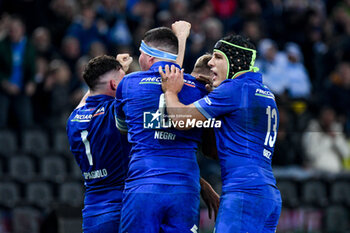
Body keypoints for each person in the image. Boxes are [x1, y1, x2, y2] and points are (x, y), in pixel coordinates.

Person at [160, 34, 282, 232]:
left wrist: (171, 92)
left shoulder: (233, 90)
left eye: (217, 56)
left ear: (232, 60)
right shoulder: (265, 93)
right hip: (268, 193)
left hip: (243, 192)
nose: (210, 62)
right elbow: (221, 149)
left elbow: (181, 120)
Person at [116, 23, 219, 233]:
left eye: (140, 54)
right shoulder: (200, 89)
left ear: (150, 57)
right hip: (185, 187)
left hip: (144, 185)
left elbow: (123, 129)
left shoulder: (127, 84)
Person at [66, 54, 132, 233]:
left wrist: (119, 71)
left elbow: (91, 92)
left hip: (92, 211)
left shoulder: (74, 117)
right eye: (122, 81)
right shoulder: (115, 111)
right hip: (121, 208)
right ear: (114, 85)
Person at [0, 15, 36, 129]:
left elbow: (33, 68)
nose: (13, 32)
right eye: (11, 30)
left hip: (22, 88)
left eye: (16, 29)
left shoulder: (29, 46)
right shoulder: (2, 45)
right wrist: (4, 83)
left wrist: (31, 82)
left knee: (26, 120)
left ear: (22, 29)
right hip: (4, 87)